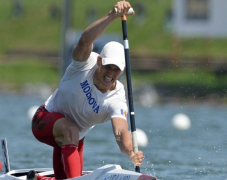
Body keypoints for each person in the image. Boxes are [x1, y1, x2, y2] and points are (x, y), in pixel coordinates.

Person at [29, 1, 144, 180]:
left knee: (66, 173)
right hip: (44, 120)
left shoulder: (117, 98)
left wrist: (130, 152)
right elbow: (85, 40)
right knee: (72, 130)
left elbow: (121, 132)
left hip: (73, 140)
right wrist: (112, 15)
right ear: (99, 61)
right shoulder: (85, 63)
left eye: (116, 70)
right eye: (108, 66)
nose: (111, 74)